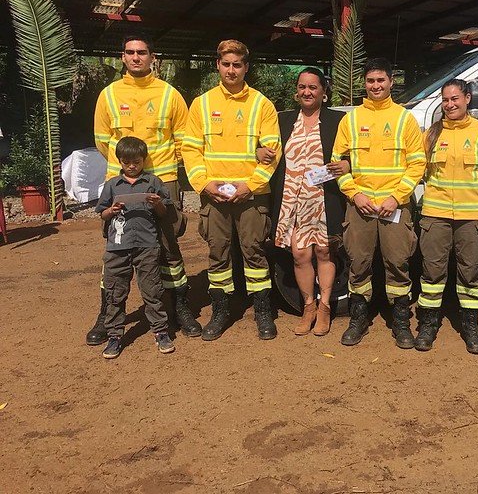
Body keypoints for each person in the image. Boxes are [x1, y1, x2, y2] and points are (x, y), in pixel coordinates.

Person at [90, 34, 200, 346]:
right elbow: (102, 141)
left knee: (168, 247)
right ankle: (107, 314)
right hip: (120, 186)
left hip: (162, 181)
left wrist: (163, 173)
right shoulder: (108, 95)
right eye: (130, 52)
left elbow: (184, 140)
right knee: (116, 249)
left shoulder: (169, 94)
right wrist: (126, 175)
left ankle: (179, 307)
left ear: (152, 57)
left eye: (142, 52)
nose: (136, 57)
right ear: (122, 57)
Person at [182, 39, 282, 341]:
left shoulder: (262, 104)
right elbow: (191, 149)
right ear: (218, 65)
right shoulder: (202, 104)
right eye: (226, 64)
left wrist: (248, 186)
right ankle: (220, 311)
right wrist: (204, 184)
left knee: (254, 253)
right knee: (218, 255)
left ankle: (263, 311)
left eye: (237, 64)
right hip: (214, 195)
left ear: (245, 67)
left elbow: (272, 150)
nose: (231, 70)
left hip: (250, 197)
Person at [332, 58, 427, 348]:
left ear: (391, 82)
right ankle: (358, 318)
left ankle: (401, 322)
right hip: (359, 204)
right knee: (358, 264)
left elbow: (417, 163)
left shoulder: (404, 119)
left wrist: (396, 197)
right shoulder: (351, 119)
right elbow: (338, 163)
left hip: (394, 207)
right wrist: (354, 194)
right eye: (371, 81)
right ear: (365, 83)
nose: (376, 86)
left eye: (381, 81)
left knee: (397, 264)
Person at [259, 68, 349, 336]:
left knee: (324, 252)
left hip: (323, 198)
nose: (307, 92)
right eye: (302, 87)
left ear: (323, 91)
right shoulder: (283, 120)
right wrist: (258, 151)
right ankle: (308, 306)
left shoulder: (337, 120)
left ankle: (324, 308)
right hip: (291, 198)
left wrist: (347, 164)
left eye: (313, 87)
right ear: (296, 92)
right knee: (299, 254)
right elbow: (264, 145)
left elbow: (353, 153)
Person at [415, 79, 478, 354]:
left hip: (470, 216)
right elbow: (419, 170)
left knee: (470, 274)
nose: (449, 104)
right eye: (445, 100)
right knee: (431, 273)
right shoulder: (431, 134)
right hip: (435, 214)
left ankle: (471, 327)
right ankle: (428, 325)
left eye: (455, 99)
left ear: (467, 99)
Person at [95, 136, 176, 359]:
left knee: (152, 290)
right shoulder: (112, 185)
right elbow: (102, 213)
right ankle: (114, 336)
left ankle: (160, 332)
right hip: (117, 247)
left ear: (144, 160)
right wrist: (112, 210)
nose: (132, 166)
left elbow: (163, 214)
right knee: (115, 291)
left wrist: (157, 203)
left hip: (147, 245)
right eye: (127, 162)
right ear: (120, 161)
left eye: (137, 162)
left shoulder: (153, 182)